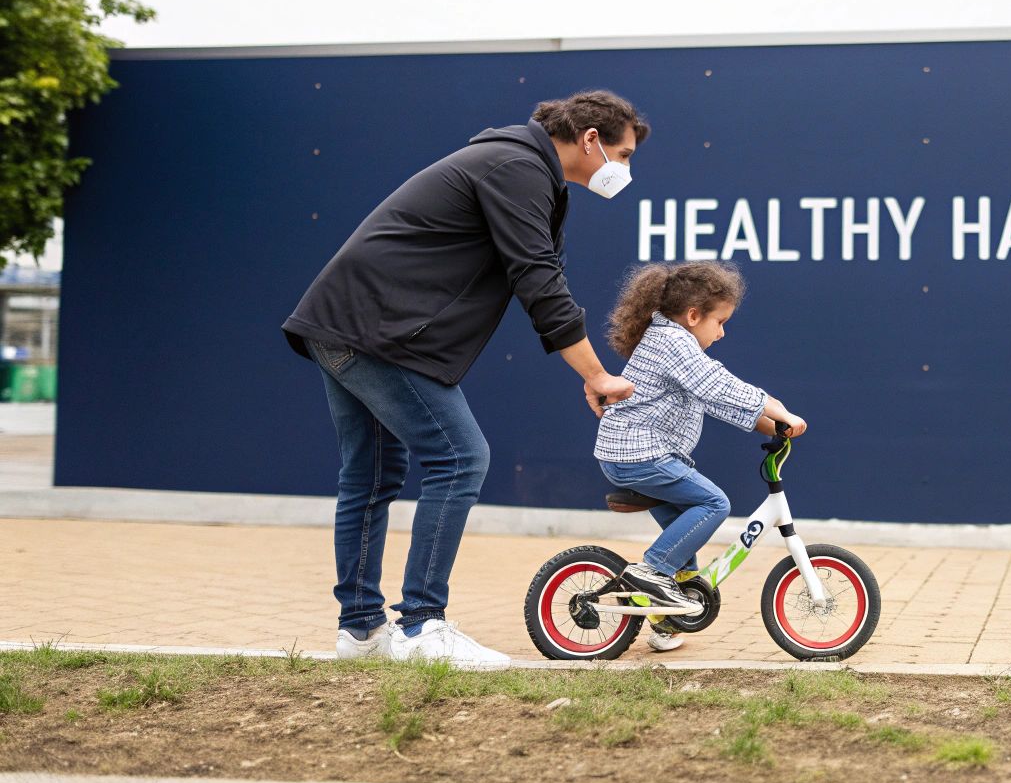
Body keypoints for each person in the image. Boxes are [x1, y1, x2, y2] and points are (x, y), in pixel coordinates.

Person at [282, 89, 647, 669]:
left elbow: (541, 273)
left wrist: (588, 373)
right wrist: (597, 373)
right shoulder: (519, 168)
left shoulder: (519, 167)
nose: (624, 170)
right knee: (460, 458)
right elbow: (538, 282)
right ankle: (422, 626)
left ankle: (360, 633)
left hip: (344, 324)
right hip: (373, 331)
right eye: (624, 156)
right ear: (590, 141)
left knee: (373, 473)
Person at [594, 261, 807, 653]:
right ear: (693, 316)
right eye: (720, 322)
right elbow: (717, 384)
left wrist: (772, 425)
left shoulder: (675, 343)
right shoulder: (672, 342)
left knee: (684, 530)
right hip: (639, 453)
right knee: (713, 502)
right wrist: (777, 406)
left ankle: (667, 618)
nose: (723, 332)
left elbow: (717, 402)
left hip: (639, 453)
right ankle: (651, 571)